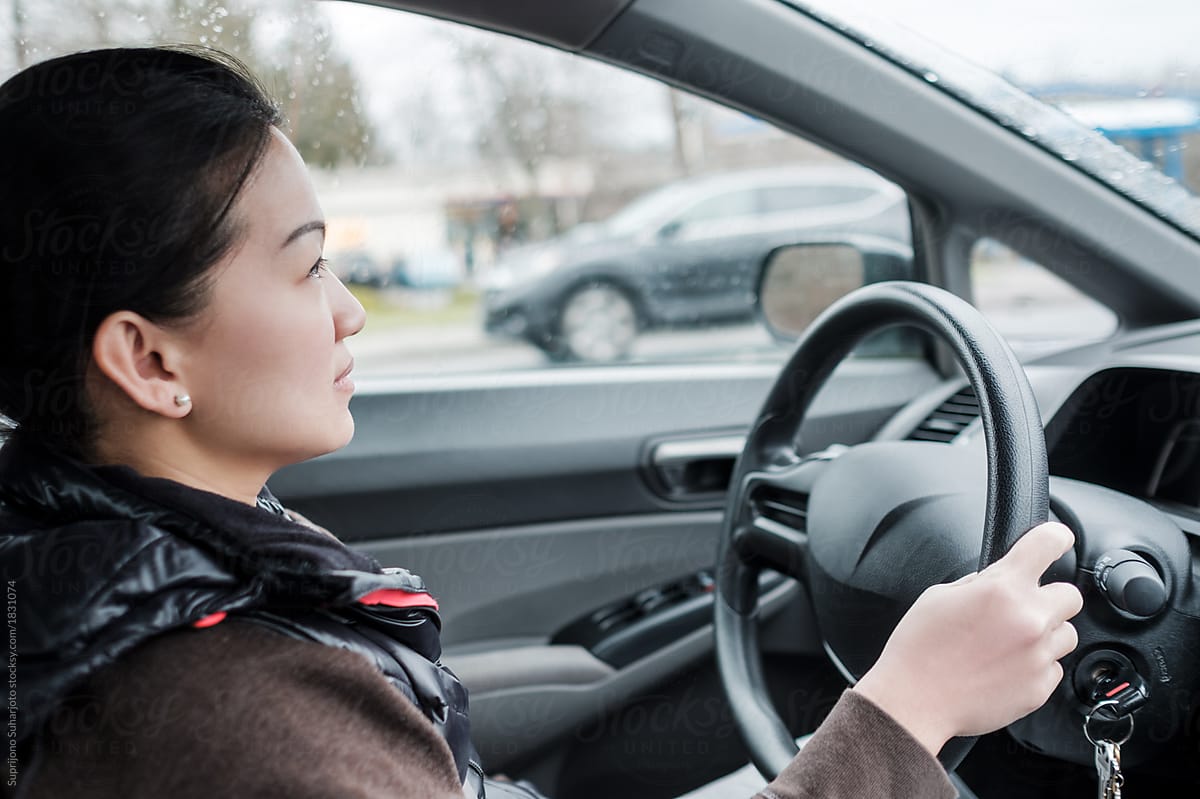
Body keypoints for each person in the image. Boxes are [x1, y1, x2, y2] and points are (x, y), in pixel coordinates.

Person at [0, 47, 1082, 799]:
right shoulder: (225, 712)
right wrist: (908, 707)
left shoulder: (141, 564)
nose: (350, 309)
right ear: (148, 359)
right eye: (307, 266)